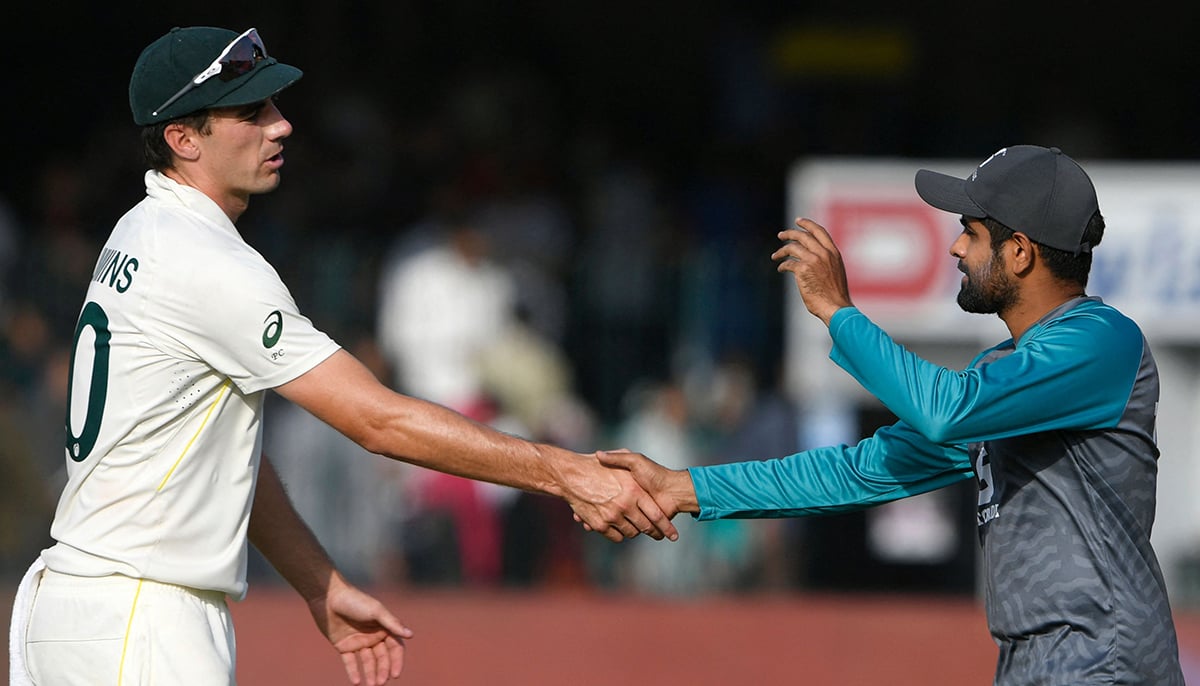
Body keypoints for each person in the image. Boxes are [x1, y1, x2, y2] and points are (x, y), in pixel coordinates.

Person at [7, 26, 676, 686]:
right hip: (140, 619)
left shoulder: (140, 228)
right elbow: (376, 421)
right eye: (251, 113)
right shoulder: (208, 262)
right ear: (183, 139)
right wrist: (568, 474)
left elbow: (219, 450)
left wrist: (317, 583)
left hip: (71, 603)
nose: (281, 125)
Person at [599, 145, 1185, 684]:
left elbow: (945, 411)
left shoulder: (1101, 341)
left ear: (1020, 252)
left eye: (970, 233)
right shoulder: (1006, 370)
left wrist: (837, 312)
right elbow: (858, 470)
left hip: (1105, 661)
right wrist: (685, 486)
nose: (956, 248)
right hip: (1035, 663)